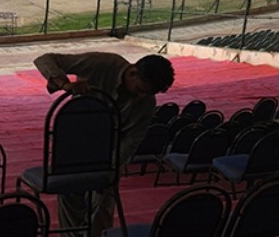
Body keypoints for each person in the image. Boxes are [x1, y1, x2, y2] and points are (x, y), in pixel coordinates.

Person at [33, 52, 175, 237]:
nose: (141, 96)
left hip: (108, 156)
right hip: (75, 146)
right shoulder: (103, 64)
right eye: (140, 89)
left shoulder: (146, 102)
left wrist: (110, 170)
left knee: (102, 206)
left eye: (147, 93)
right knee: (71, 200)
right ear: (132, 73)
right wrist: (65, 84)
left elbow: (131, 141)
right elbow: (44, 60)